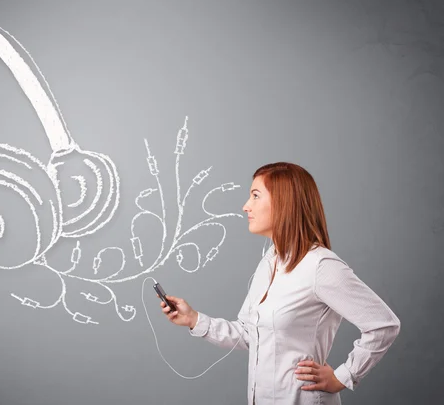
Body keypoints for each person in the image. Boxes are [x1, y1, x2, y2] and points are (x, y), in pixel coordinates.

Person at [159, 162, 401, 405]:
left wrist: (343, 376)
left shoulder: (321, 266)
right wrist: (193, 319)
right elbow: (249, 334)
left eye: (255, 196)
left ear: (285, 203)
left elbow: (383, 325)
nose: (245, 207)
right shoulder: (269, 261)